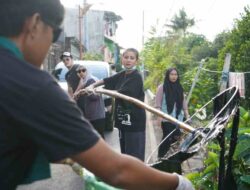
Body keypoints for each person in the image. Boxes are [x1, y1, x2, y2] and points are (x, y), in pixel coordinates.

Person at [0, 1, 194, 190]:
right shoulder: (34, 85)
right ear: (35, 24)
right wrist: (178, 183)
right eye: (55, 34)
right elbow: (117, 170)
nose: (51, 45)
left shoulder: (135, 76)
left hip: (131, 121)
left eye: (130, 58)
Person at [85, 48, 146, 161]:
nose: (128, 60)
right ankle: (127, 178)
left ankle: (136, 178)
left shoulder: (136, 77)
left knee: (134, 158)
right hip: (123, 122)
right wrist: (92, 86)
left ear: (136, 61)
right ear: (122, 59)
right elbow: (106, 80)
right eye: (126, 57)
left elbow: (120, 93)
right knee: (125, 154)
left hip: (134, 123)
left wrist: (99, 90)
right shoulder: (122, 74)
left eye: (132, 58)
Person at [155, 68, 190, 158]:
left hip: (178, 118)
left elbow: (183, 103)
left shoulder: (179, 87)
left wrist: (187, 115)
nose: (174, 76)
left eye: (175, 74)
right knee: (167, 138)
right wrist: (159, 117)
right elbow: (158, 103)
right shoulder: (162, 87)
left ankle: (170, 158)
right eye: (172, 74)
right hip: (166, 118)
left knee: (176, 138)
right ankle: (161, 156)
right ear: (168, 75)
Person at [74, 65, 106, 138]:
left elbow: (94, 96)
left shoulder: (91, 80)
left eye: (83, 70)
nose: (81, 73)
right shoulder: (86, 81)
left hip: (96, 115)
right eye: (79, 71)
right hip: (94, 115)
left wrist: (84, 91)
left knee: (98, 138)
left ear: (87, 71)